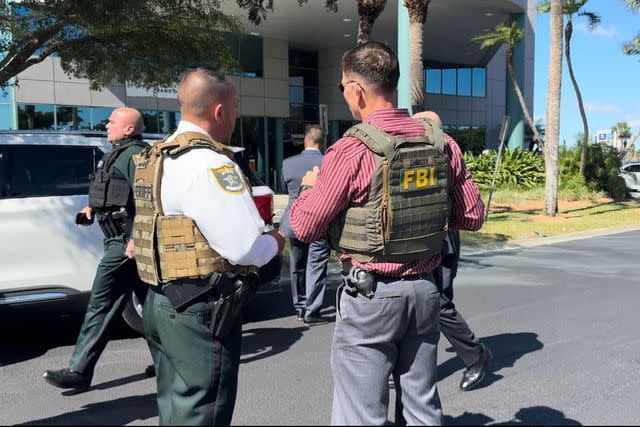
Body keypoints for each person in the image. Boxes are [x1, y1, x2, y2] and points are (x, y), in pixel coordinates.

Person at [288, 41, 485, 425]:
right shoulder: (441, 143)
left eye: (343, 86)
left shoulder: (350, 150)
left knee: (361, 414)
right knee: (422, 408)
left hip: (371, 296)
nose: (344, 93)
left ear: (356, 89)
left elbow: (304, 227)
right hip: (426, 293)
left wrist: (311, 188)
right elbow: (472, 216)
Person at [130, 68, 284, 425]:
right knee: (203, 411)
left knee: (174, 407)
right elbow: (244, 248)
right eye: (234, 108)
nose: (236, 116)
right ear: (218, 112)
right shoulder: (210, 162)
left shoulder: (157, 157)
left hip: (160, 300)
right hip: (199, 309)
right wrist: (276, 241)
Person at [43, 107, 151, 393]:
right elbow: (114, 191)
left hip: (125, 244)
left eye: (112, 122)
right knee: (151, 309)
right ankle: (171, 364)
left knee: (100, 303)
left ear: (129, 129)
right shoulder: (115, 154)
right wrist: (92, 208)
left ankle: (78, 370)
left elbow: (147, 200)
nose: (107, 125)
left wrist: (135, 238)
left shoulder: (136, 156)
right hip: (117, 240)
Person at [413, 110, 492, 392]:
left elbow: (470, 209)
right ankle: (406, 365)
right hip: (416, 237)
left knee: (439, 303)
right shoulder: (410, 149)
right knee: (416, 303)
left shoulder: (445, 147)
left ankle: (476, 355)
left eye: (422, 126)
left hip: (442, 236)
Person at [280, 124, 331, 326]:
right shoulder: (329, 162)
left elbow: (285, 189)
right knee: (317, 263)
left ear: (305, 141)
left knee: (297, 264)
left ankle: (300, 306)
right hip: (320, 220)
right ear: (322, 143)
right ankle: (312, 308)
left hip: (294, 219)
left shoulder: (288, 163)